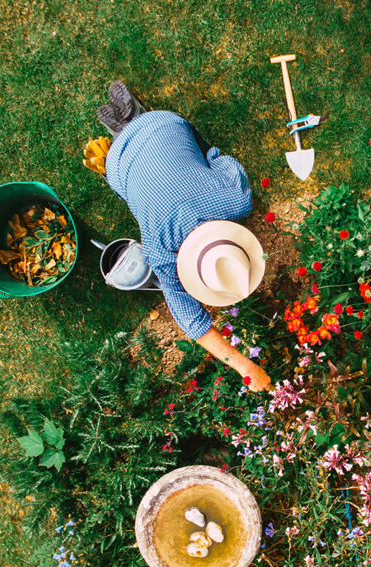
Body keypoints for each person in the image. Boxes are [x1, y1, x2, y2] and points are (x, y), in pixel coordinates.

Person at [95, 81, 272, 392]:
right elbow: (191, 321)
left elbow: (221, 161)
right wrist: (245, 367)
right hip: (118, 164)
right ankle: (125, 127)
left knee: (181, 153)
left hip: (165, 124)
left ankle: (131, 122)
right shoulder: (158, 251)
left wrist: (249, 368)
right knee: (136, 184)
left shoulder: (237, 201)